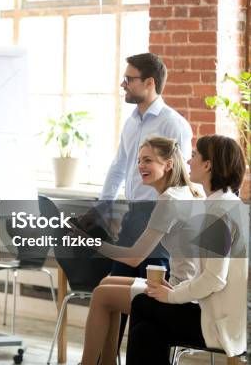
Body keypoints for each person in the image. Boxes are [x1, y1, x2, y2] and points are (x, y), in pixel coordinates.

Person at [88, 52, 193, 348]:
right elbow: (119, 165)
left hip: (162, 216)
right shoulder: (131, 123)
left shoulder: (175, 125)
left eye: (129, 79)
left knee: (147, 302)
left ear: (149, 83)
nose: (123, 84)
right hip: (133, 215)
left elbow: (182, 176)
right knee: (110, 296)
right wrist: (103, 206)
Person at [80, 136, 203, 365]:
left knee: (101, 295)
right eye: (139, 161)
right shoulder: (190, 191)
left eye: (148, 160)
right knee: (107, 284)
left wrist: (89, 243)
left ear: (168, 164)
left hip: (181, 295)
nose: (140, 166)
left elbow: (135, 257)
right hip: (185, 288)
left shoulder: (169, 200)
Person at [127, 135, 248, 364]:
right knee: (147, 332)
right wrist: (175, 288)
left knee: (143, 304)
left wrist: (172, 295)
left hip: (220, 325)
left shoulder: (218, 212)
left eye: (194, 156)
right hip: (221, 317)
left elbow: (214, 279)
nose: (188, 161)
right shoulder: (226, 203)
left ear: (208, 165)